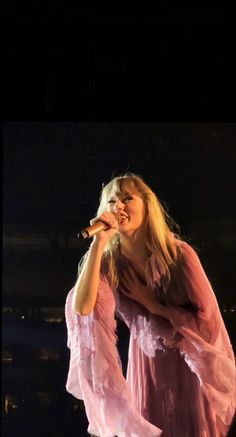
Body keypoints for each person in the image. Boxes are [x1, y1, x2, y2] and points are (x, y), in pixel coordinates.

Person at [65, 172, 235, 437]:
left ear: (147, 205)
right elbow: (83, 308)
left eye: (126, 198)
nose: (118, 207)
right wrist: (99, 245)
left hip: (187, 368)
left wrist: (153, 305)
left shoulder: (178, 255)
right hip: (146, 365)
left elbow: (207, 322)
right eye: (111, 202)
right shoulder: (111, 262)